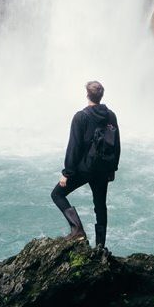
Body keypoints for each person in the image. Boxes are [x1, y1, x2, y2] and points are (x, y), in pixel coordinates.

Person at [51, 80, 120, 248]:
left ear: (87, 95)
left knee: (57, 194)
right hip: (103, 168)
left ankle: (77, 230)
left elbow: (74, 147)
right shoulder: (111, 115)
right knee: (100, 206)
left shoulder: (81, 117)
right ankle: (100, 247)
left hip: (85, 169)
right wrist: (112, 169)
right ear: (101, 95)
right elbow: (117, 144)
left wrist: (67, 173)